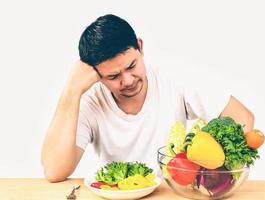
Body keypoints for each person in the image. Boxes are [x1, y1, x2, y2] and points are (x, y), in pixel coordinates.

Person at [41, 14, 254, 182]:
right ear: (96, 74)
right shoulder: (91, 99)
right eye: (113, 76)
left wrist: (197, 164)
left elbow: (242, 118)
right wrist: (71, 89)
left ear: (140, 48)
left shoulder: (175, 77)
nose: (127, 81)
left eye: (131, 66)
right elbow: (54, 171)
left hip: (173, 194)